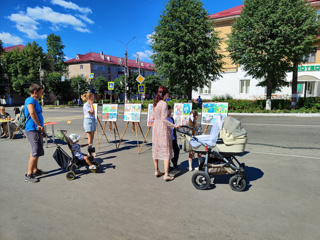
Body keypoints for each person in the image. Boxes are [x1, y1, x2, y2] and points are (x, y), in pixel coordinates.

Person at [152, 86, 180, 181]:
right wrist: (174, 125)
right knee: (166, 151)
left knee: (156, 149)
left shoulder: (155, 104)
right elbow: (164, 119)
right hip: (163, 129)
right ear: (165, 94)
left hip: (156, 128)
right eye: (167, 93)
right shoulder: (164, 104)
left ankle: (157, 170)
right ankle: (166, 174)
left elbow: (152, 117)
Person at [24, 84, 47, 183]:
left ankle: (35, 170)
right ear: (35, 92)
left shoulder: (35, 101)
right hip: (31, 129)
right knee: (35, 152)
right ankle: (29, 175)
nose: (42, 94)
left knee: (35, 151)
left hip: (36, 129)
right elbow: (32, 112)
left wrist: (41, 129)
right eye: (41, 92)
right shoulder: (30, 100)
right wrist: (38, 124)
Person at [167, 105, 180, 169]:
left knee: (177, 150)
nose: (170, 113)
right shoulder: (165, 120)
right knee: (168, 153)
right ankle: (168, 166)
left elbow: (174, 129)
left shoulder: (171, 119)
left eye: (171, 112)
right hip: (167, 139)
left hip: (173, 138)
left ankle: (174, 161)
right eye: (168, 112)